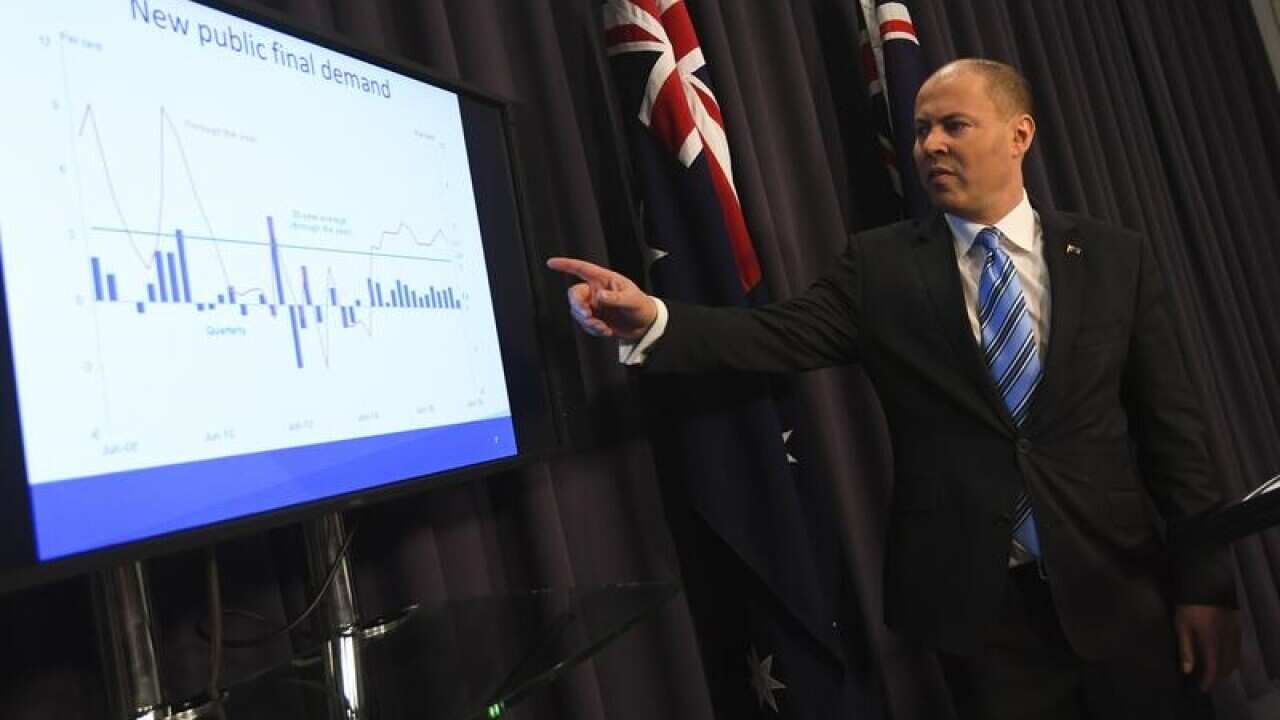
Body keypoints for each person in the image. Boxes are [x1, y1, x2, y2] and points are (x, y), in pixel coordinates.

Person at [548, 59, 1240, 718]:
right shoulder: (879, 266)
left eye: (953, 126)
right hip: (981, 615)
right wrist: (653, 317)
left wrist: (1208, 588)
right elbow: (773, 335)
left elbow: (1175, 437)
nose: (930, 145)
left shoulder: (1115, 257)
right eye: (920, 130)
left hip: (1123, 590)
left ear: (1019, 134)